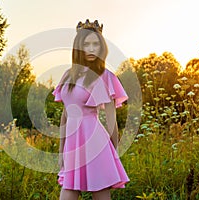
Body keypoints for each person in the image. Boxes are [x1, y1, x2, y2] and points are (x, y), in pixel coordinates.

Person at [52, 19, 129, 200]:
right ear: (78, 48)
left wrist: (113, 155)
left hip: (96, 143)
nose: (92, 49)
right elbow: (65, 116)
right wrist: (61, 152)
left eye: (96, 44)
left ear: (102, 47)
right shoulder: (68, 75)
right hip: (72, 144)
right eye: (86, 44)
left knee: (100, 194)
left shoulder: (105, 76)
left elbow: (111, 122)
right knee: (67, 193)